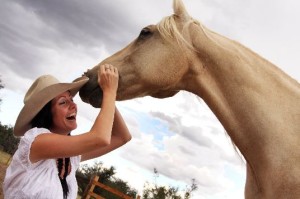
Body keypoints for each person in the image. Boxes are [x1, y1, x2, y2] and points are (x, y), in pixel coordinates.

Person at [3, 64, 132, 199]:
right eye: (63, 102)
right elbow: (100, 138)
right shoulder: (36, 141)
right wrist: (109, 92)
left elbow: (122, 137)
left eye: (71, 99)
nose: (73, 105)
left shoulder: (70, 158)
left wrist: (104, 98)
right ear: (46, 113)